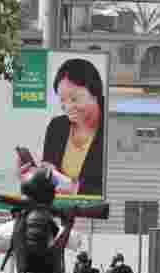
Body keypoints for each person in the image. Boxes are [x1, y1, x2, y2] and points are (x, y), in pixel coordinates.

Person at [24, 59, 106, 197]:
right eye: (62, 100)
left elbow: (112, 188)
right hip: (59, 211)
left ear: (95, 94)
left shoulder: (110, 128)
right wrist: (38, 175)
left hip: (93, 214)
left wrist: (76, 189)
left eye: (74, 99)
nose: (68, 107)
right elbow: (49, 178)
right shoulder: (57, 127)